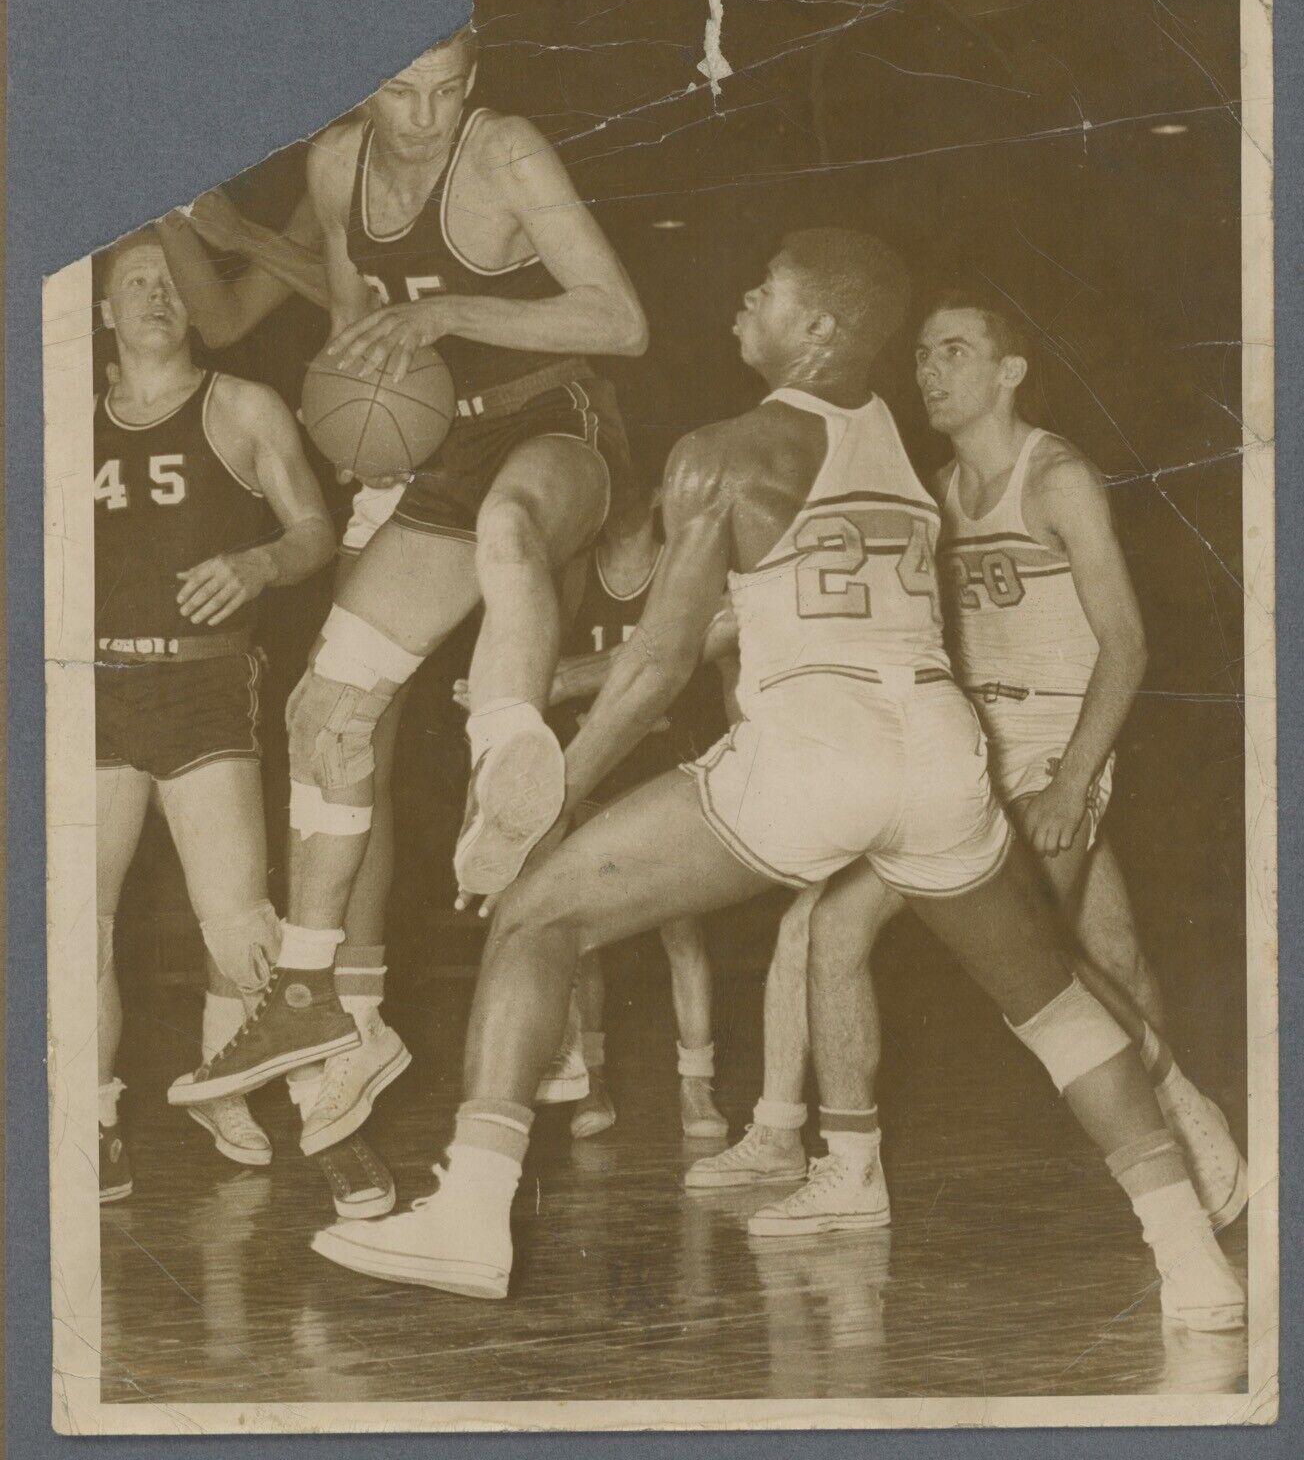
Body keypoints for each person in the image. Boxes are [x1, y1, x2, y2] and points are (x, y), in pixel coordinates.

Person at [308, 229, 1243, 1333]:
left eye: (764, 291)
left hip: (815, 745)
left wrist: (546, 794)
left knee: (535, 917)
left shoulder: (722, 451)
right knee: (1049, 1002)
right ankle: (1192, 1262)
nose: (739, 302)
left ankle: (470, 1211)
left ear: (820, 330)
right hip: (940, 746)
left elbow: (660, 664)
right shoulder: (894, 437)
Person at [166, 26, 649, 1139]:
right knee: (323, 705)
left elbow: (619, 319)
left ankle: (504, 760)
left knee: (512, 528)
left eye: (447, 90)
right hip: (435, 451)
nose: (426, 118)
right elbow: (346, 325)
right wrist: (360, 436)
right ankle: (309, 996)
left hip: (551, 416)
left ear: (473, 80)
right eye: (402, 93)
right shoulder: (335, 167)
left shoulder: (506, 150)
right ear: (359, 89)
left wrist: (447, 312)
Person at [690, 292, 1249, 1238]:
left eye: (955, 352)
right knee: (1101, 954)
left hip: (1057, 748)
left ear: (1010, 371)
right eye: (920, 356)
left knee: (860, 932)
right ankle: (1191, 1134)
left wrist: (1073, 781)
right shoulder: (931, 494)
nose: (930, 372)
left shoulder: (1058, 477)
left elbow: (1128, 647)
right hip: (964, 754)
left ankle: (857, 1166)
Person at [94, 230, 388, 1217]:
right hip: (87, 690)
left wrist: (259, 565)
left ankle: (272, 1096)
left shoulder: (239, 407)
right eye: (132, 281)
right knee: (78, 927)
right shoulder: (60, 421)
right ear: (100, 311)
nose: (156, 292)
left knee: (243, 929)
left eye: (171, 278)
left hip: (201, 686)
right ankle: (96, 1122)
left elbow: (314, 530)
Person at [158, 185, 414, 1159]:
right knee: (353, 744)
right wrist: (165, 209)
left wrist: (241, 232)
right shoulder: (327, 177)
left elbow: (380, 313)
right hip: (390, 482)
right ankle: (355, 1014)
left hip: (480, 453)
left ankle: (542, 1031)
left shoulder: (420, 161)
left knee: (363, 731)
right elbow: (221, 317)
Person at [530, 483, 731, 1138]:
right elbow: (540, 662)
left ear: (652, 497)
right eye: (602, 490)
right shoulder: (573, 572)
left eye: (624, 489)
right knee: (584, 935)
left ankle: (696, 1089)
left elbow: (694, 654)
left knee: (683, 931)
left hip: (663, 766)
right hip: (594, 768)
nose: (609, 504)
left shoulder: (683, 566)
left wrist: (586, 676)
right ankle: (594, 1083)